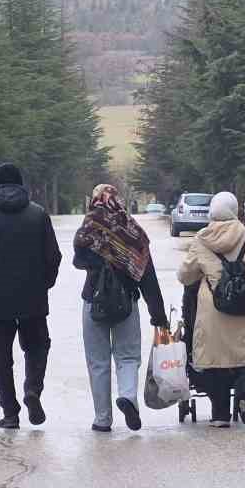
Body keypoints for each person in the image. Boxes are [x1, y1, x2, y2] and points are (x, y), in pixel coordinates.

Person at [0, 163, 62, 430]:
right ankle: (32, 390)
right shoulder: (38, 214)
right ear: (21, 184)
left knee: (1, 356)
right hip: (33, 298)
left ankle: (10, 412)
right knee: (37, 346)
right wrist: (44, 284)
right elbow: (54, 256)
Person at [72, 184, 171, 433]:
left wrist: (100, 258)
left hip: (94, 301)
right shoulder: (133, 231)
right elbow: (147, 274)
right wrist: (158, 315)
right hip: (126, 302)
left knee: (98, 361)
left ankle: (102, 419)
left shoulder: (89, 227)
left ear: (96, 200)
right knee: (127, 356)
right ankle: (128, 397)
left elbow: (77, 259)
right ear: (118, 201)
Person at [178, 191, 245, 428]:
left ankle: (219, 415)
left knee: (214, 360)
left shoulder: (201, 238)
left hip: (212, 308)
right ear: (235, 210)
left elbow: (185, 276)